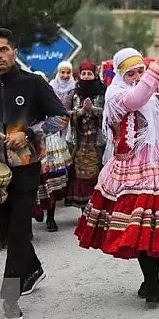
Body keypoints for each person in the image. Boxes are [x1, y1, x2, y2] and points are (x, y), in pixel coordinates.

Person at [75, 45, 159, 305]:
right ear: (120, 75)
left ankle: (152, 282)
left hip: (158, 163)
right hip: (130, 169)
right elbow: (135, 100)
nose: (138, 77)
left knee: (152, 225)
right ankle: (151, 281)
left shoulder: (153, 87)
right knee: (137, 224)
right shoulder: (114, 94)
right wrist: (156, 68)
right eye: (131, 73)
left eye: (141, 70)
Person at [0, 28, 67, 319]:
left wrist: (30, 134)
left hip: (26, 168)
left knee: (19, 231)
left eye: (3, 50)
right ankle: (33, 269)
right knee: (10, 232)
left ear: (14, 51)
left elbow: (60, 117)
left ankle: (9, 297)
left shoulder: (33, 83)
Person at [35, 61, 75, 232]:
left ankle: (51, 218)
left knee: (51, 180)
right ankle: (37, 210)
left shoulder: (49, 97)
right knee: (34, 181)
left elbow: (59, 117)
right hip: (30, 145)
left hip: (50, 142)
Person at [65, 61, 107, 209]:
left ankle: (97, 207)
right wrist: (81, 112)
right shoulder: (73, 93)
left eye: (89, 74)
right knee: (80, 175)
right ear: (79, 75)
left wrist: (93, 109)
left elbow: (108, 113)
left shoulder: (103, 92)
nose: (87, 77)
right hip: (79, 141)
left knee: (98, 173)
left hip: (98, 141)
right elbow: (66, 113)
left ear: (95, 75)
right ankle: (84, 209)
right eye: (84, 74)